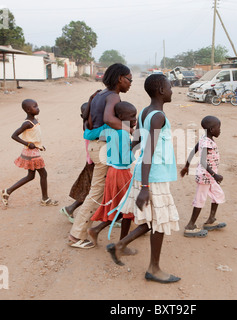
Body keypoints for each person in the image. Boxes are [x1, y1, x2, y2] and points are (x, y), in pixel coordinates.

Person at [106, 74, 181, 284]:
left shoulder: (145, 113)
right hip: (153, 177)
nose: (172, 89)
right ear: (161, 91)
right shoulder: (158, 116)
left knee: (153, 218)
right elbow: (147, 151)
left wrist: (135, 165)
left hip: (146, 173)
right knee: (159, 222)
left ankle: (119, 245)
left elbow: (136, 142)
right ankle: (154, 269)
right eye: (170, 86)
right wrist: (146, 186)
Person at [66, 63, 133, 249]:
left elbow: (90, 121)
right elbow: (109, 119)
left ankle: (106, 225)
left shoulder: (99, 94)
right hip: (102, 148)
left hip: (97, 146)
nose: (130, 83)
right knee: (96, 192)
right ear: (120, 78)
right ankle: (77, 234)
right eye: (129, 79)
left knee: (103, 190)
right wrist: (131, 130)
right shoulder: (113, 96)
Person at [87, 101, 137, 249]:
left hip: (113, 172)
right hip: (121, 173)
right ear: (120, 117)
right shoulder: (123, 133)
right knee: (126, 208)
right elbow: (126, 158)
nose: (134, 120)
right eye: (131, 116)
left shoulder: (114, 131)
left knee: (121, 207)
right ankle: (122, 244)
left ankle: (96, 230)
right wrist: (135, 147)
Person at [1, 99, 58, 207]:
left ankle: (7, 191)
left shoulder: (35, 120)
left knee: (31, 176)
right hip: (31, 153)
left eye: (37, 106)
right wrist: (27, 144)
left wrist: (39, 146)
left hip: (34, 150)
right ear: (28, 110)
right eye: (34, 106)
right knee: (43, 174)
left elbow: (34, 136)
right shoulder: (27, 123)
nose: (38, 108)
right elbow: (14, 136)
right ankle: (45, 199)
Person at [180, 116, 226, 238]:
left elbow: (193, 152)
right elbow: (203, 161)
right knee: (200, 199)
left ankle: (211, 219)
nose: (220, 130)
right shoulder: (206, 142)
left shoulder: (204, 139)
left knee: (218, 195)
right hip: (206, 176)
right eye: (218, 128)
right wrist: (215, 175)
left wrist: (186, 166)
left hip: (209, 177)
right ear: (211, 129)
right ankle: (190, 226)